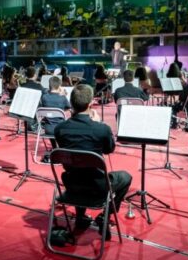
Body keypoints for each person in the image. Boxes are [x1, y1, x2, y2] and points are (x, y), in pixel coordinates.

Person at [52, 85, 132, 238]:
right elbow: (109, 149)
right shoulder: (101, 129)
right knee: (126, 177)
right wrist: (98, 123)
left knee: (78, 169)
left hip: (71, 184)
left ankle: (81, 216)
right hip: (98, 187)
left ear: (71, 103)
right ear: (90, 104)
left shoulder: (60, 129)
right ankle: (105, 216)